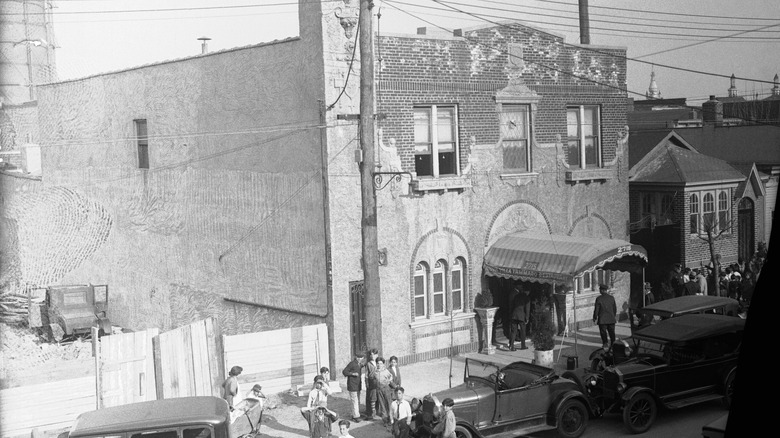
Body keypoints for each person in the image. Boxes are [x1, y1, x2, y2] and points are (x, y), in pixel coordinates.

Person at [593, 284, 617, 350]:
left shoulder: (599, 299)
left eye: (600, 290)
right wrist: (613, 316)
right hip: (611, 319)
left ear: (602, 290)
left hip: (602, 320)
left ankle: (605, 344)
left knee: (603, 333)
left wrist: (595, 317)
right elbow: (614, 309)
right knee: (612, 333)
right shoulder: (611, 298)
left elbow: (596, 310)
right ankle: (613, 344)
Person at [342, 352, 363, 423]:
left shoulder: (359, 364)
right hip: (352, 385)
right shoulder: (352, 364)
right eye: (358, 357)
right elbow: (344, 371)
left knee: (356, 401)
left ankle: (354, 414)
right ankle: (356, 416)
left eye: (361, 357)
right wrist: (352, 374)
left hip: (358, 385)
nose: (359, 359)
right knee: (355, 401)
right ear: (356, 357)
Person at [509, 285, 530, 351]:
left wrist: (511, 314)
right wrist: (527, 318)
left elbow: (512, 305)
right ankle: (523, 345)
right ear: (527, 292)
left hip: (514, 315)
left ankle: (511, 345)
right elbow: (527, 309)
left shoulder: (516, 296)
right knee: (523, 331)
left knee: (513, 331)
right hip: (521, 316)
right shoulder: (526, 298)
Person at [376, 357, 394, 426]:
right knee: (382, 405)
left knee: (389, 404)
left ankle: (391, 419)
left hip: (386, 389)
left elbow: (391, 377)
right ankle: (385, 420)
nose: (379, 365)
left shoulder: (386, 371)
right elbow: (372, 377)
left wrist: (388, 381)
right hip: (379, 389)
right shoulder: (375, 371)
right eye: (378, 363)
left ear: (383, 364)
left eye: (381, 363)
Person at [364, 348, 380, 420]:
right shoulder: (368, 364)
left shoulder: (379, 362)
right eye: (371, 355)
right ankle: (372, 412)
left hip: (379, 382)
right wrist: (367, 383)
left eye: (374, 354)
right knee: (372, 397)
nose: (372, 356)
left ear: (377, 355)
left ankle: (377, 410)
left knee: (378, 396)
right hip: (372, 383)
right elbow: (367, 375)